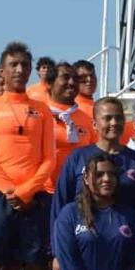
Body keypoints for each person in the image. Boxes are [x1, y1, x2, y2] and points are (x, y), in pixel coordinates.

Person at [0, 41, 56, 270]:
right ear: (2, 71)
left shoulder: (41, 108)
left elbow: (49, 158)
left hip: (33, 197)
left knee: (34, 265)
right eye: (13, 65)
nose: (20, 70)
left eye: (25, 65)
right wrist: (10, 191)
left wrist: (27, 191)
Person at [53, 97, 135, 230]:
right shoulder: (78, 157)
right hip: (84, 237)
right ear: (94, 124)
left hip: (126, 238)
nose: (114, 123)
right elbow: (61, 201)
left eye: (119, 118)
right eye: (107, 118)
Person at [44, 62, 98, 197]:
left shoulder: (86, 118)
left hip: (79, 194)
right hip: (45, 194)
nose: (71, 82)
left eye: (74, 78)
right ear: (49, 83)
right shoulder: (40, 114)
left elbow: (96, 155)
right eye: (65, 77)